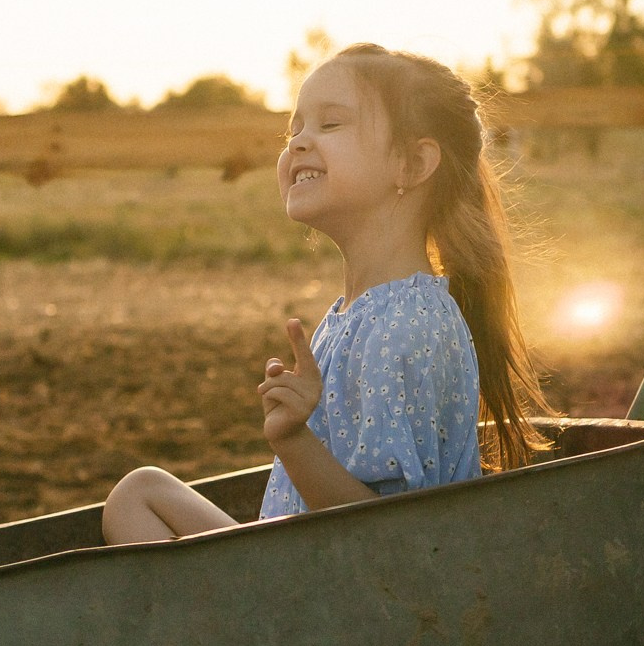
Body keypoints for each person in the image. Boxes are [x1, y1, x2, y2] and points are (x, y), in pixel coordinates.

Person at [101, 44, 549, 544]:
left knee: (138, 498)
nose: (298, 144)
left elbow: (387, 541)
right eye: (294, 130)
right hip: (309, 571)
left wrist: (293, 439)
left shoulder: (404, 327)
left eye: (330, 125)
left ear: (412, 164)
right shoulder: (364, 313)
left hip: (345, 601)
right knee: (139, 494)